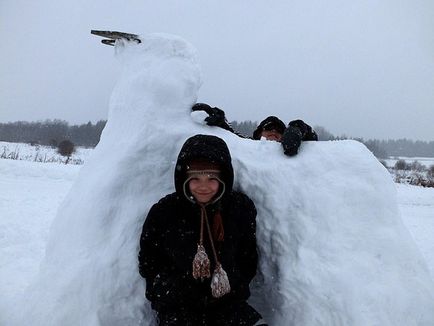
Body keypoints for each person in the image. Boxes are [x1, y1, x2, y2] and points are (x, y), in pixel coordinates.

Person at [138, 134, 265, 325]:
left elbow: (247, 257)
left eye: (211, 178)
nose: (203, 187)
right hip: (179, 308)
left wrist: (232, 284)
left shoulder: (240, 209)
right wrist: (169, 291)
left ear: (224, 178)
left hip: (228, 305)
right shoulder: (165, 212)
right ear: (184, 179)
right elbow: (149, 261)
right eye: (195, 178)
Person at [191, 103, 318, 156]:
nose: (274, 131)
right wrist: (218, 119)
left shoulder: (294, 146)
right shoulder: (246, 146)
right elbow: (230, 134)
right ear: (259, 134)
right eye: (268, 128)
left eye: (279, 130)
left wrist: (298, 128)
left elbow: (313, 140)